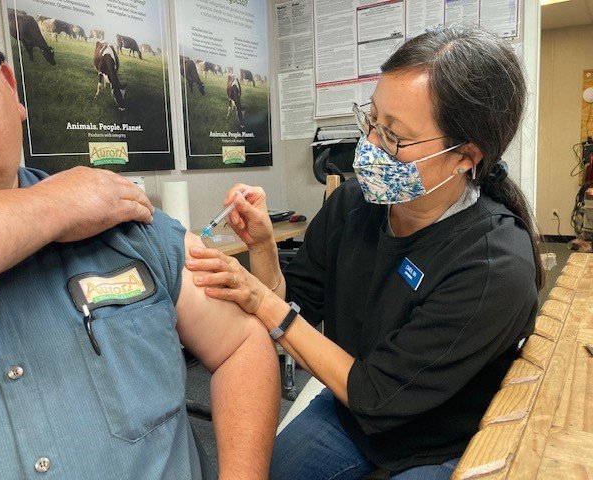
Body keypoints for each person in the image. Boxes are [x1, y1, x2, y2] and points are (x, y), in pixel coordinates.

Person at [186, 27, 543, 480]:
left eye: (395, 136)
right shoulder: (353, 204)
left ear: (465, 157)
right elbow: (297, 307)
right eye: (371, 120)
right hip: (349, 412)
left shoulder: (493, 264)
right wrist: (262, 247)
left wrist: (259, 299)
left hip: (439, 439)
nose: (370, 146)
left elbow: (376, 392)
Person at [0, 2, 280, 479]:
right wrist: (58, 205)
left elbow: (243, 344)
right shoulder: (87, 202)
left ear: (8, 86)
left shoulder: (122, 221)